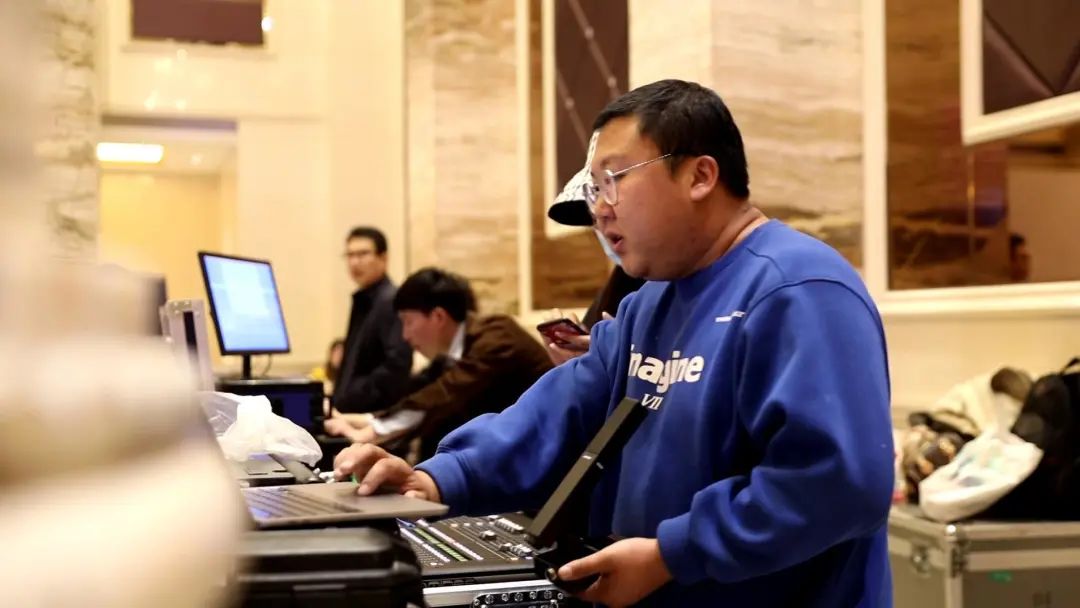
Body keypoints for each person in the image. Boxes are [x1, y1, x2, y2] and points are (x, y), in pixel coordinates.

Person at [334, 80, 894, 607]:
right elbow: (560, 409)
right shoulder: (651, 303)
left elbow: (838, 483)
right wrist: (438, 477)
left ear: (699, 176)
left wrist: (674, 554)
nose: (600, 209)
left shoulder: (798, 290)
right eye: (594, 188)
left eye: (614, 180)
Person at [326, 267, 553, 461]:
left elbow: (440, 397)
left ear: (438, 317)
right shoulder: (455, 352)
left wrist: (367, 435)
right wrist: (354, 420)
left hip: (545, 454)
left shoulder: (496, 338)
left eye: (408, 322)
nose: (405, 335)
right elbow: (418, 400)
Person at [545, 130, 645, 365]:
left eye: (612, 194)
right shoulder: (623, 280)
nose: (601, 214)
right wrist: (577, 368)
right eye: (592, 212)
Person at [331, 227, 413, 414]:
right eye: (350, 255)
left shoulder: (390, 301)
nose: (354, 262)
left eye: (362, 254)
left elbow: (396, 366)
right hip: (353, 412)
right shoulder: (364, 299)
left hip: (373, 416)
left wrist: (351, 396)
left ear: (383, 258)